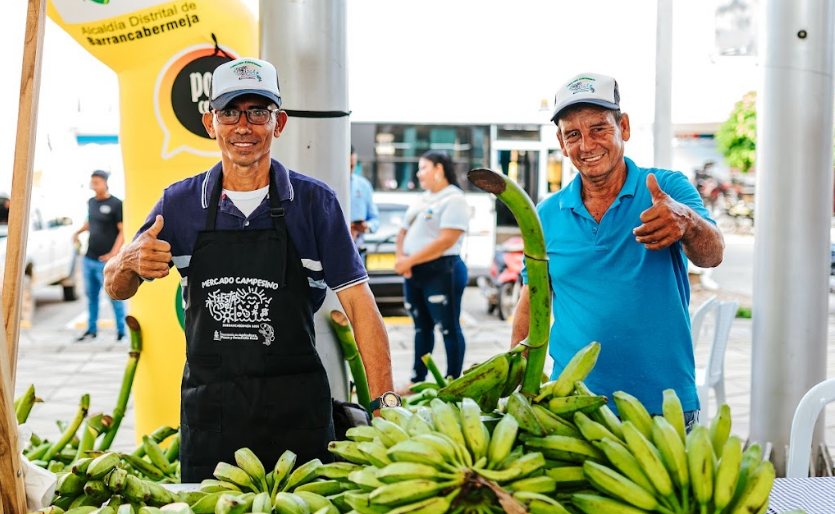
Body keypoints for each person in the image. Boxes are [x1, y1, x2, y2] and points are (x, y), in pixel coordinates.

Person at [103, 57, 395, 481]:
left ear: (279, 123)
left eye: (259, 112)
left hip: (299, 417)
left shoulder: (315, 204)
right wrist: (128, 261)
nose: (244, 126)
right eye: (230, 112)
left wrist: (384, 404)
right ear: (210, 123)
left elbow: (359, 304)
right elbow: (118, 287)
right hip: (213, 420)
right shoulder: (179, 205)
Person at [511, 73, 724, 428]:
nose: (587, 144)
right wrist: (515, 372)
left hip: (664, 405)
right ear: (562, 143)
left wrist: (687, 222)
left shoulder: (667, 188)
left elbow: (711, 255)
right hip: (572, 406)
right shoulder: (546, 214)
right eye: (573, 134)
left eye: (599, 129)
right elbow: (533, 298)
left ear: (623, 127)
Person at [394, 150, 468, 389]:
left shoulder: (454, 199)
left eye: (423, 167)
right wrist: (401, 259)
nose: (419, 173)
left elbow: (446, 240)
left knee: (448, 328)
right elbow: (403, 231)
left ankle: (453, 383)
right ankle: (417, 380)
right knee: (420, 328)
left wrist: (409, 260)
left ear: (439, 169)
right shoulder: (422, 198)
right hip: (414, 272)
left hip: (442, 270)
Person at [74, 170, 127, 342]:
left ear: (105, 183)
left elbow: (122, 230)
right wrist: (78, 232)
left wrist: (114, 253)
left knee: (113, 296)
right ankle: (91, 329)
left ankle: (121, 331)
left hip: (107, 260)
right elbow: (91, 222)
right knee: (91, 296)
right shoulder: (91, 202)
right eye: (92, 183)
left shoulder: (116, 204)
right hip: (89, 257)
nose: (94, 186)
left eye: (97, 182)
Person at [349, 146, 379, 248]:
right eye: (347, 166)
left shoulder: (363, 185)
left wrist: (366, 227)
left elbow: (375, 220)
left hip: (357, 248)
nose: (350, 171)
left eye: (352, 166)